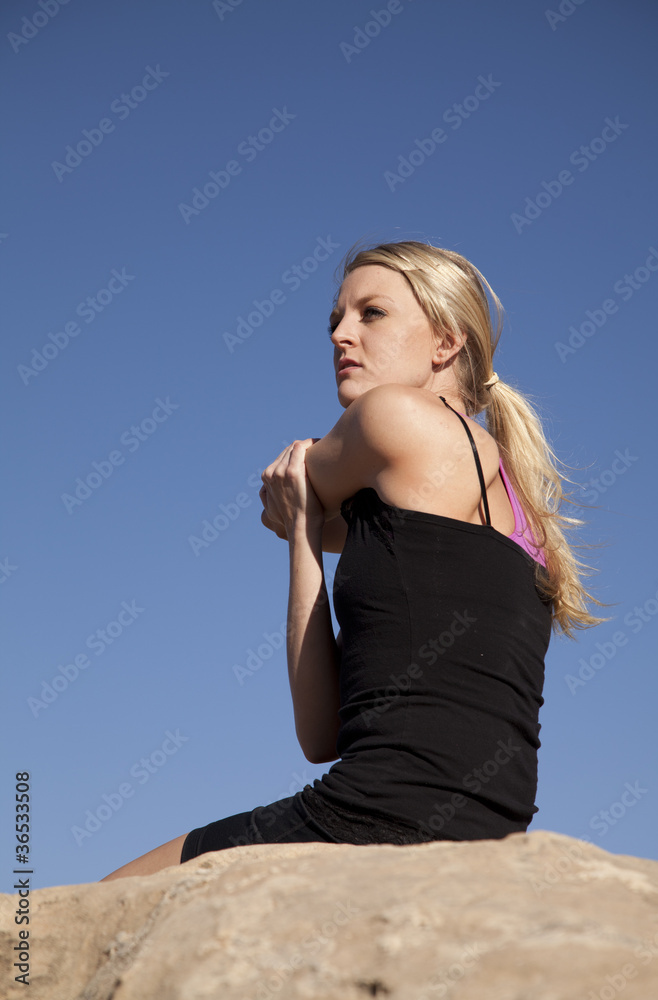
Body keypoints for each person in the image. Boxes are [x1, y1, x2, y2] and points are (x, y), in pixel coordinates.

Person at [100, 239, 605, 881]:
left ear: (445, 342)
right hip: (474, 836)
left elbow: (280, 487)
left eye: (371, 314)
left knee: (94, 906)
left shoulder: (393, 415)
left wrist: (303, 511)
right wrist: (306, 535)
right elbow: (320, 738)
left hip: (375, 820)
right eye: (335, 320)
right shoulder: (521, 508)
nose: (341, 335)